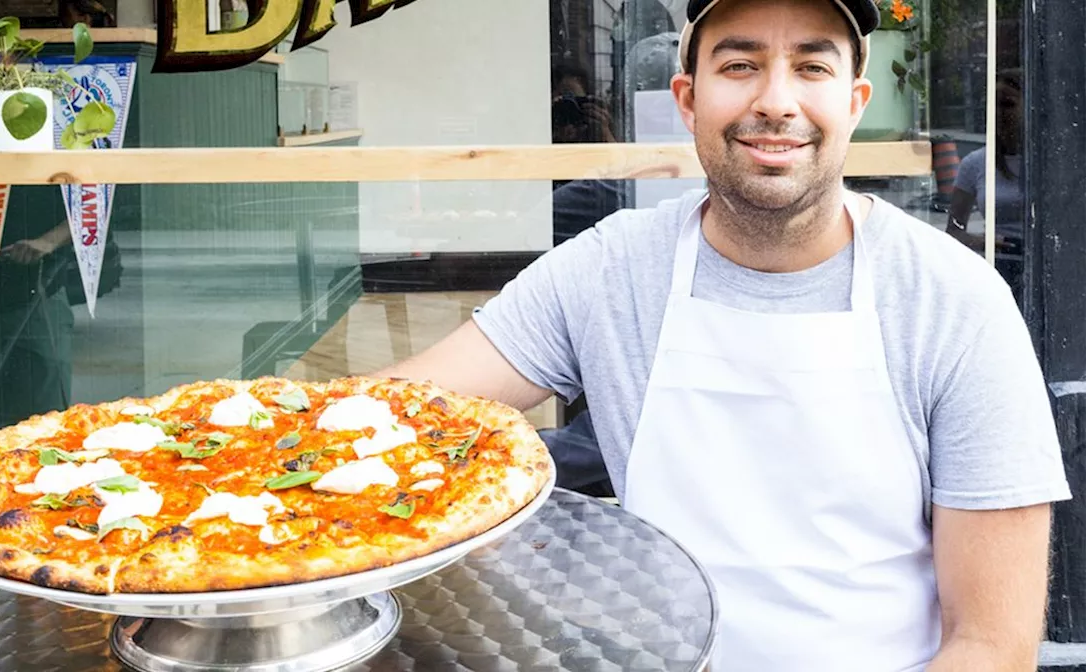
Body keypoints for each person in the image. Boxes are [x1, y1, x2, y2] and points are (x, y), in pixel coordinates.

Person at [378, 0, 1071, 669]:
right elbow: (386, 418)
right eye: (740, 65)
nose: (775, 100)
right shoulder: (610, 269)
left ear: (855, 102)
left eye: (811, 67)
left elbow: (991, 644)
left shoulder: (954, 300)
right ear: (687, 100)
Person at [948, 69, 1025, 305]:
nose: (998, 113)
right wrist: (983, 242)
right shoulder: (975, 163)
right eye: (992, 105)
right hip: (999, 264)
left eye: (1007, 104)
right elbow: (954, 231)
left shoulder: (1052, 164)